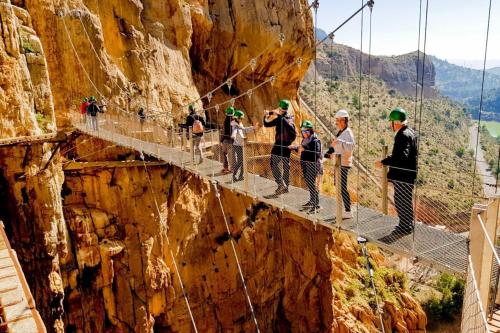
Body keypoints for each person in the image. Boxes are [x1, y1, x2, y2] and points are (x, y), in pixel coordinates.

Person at [375, 107, 418, 236]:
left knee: (400, 200)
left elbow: (401, 157)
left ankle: (404, 227)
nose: (391, 125)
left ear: (397, 122)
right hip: (409, 174)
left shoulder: (402, 135)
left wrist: (384, 162)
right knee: (406, 199)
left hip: (403, 176)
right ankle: (408, 225)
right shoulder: (411, 132)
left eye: (392, 122)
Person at [324, 109, 356, 219]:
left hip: (344, 163)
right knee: (339, 186)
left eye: (339, 120)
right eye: (337, 120)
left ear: (344, 121)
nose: (337, 122)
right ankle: (345, 208)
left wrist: (339, 142)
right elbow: (337, 146)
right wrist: (329, 152)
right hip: (339, 163)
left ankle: (348, 210)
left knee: (342, 187)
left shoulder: (348, 133)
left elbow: (351, 147)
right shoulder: (341, 132)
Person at [263, 99, 297, 194]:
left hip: (279, 145)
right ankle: (285, 186)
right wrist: (268, 115)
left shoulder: (281, 119)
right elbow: (266, 124)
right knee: (286, 166)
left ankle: (281, 184)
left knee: (274, 164)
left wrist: (266, 116)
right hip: (287, 145)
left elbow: (266, 123)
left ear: (280, 108)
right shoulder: (290, 118)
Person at [296, 120, 322, 213]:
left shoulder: (315, 140)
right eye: (303, 131)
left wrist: (304, 149)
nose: (304, 133)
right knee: (309, 184)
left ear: (311, 131)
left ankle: (317, 205)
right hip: (305, 164)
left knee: (312, 184)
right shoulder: (305, 140)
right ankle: (312, 201)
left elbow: (317, 154)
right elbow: (303, 150)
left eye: (306, 131)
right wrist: (295, 148)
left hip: (312, 165)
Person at [231, 110, 255, 182]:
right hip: (237, 145)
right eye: (240, 118)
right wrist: (233, 136)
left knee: (243, 161)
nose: (241, 119)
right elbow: (234, 131)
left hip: (241, 145)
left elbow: (244, 130)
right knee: (240, 161)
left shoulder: (239, 124)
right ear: (237, 118)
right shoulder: (235, 125)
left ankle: (241, 176)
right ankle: (234, 175)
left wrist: (252, 128)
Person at [221, 107, 235, 174]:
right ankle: (232, 169)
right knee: (231, 155)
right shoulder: (233, 120)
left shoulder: (225, 120)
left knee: (224, 154)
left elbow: (224, 131)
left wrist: (221, 140)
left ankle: (225, 168)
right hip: (231, 141)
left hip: (224, 140)